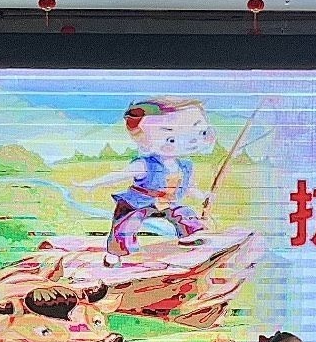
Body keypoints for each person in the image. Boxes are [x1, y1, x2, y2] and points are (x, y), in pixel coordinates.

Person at [77, 97, 215, 267]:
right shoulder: (145, 164)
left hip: (167, 202)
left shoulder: (185, 166)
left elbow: (188, 187)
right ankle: (115, 253)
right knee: (126, 224)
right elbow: (119, 175)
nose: (191, 142)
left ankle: (189, 236)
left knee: (184, 213)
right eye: (171, 139)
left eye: (200, 133)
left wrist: (202, 196)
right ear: (144, 143)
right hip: (138, 203)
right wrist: (93, 183)